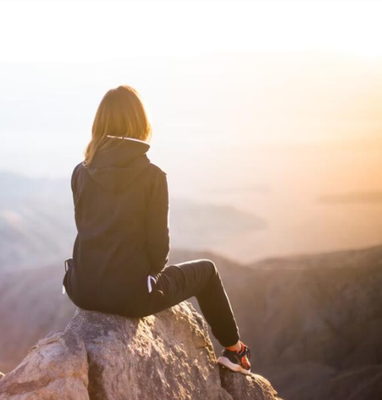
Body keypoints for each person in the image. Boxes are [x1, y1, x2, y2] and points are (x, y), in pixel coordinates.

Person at [62, 85, 251, 374]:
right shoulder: (152, 177)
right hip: (131, 297)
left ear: (99, 124)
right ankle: (234, 351)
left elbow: (86, 228)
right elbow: (159, 252)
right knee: (208, 271)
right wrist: (143, 278)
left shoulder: (80, 171)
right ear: (140, 123)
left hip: (82, 289)